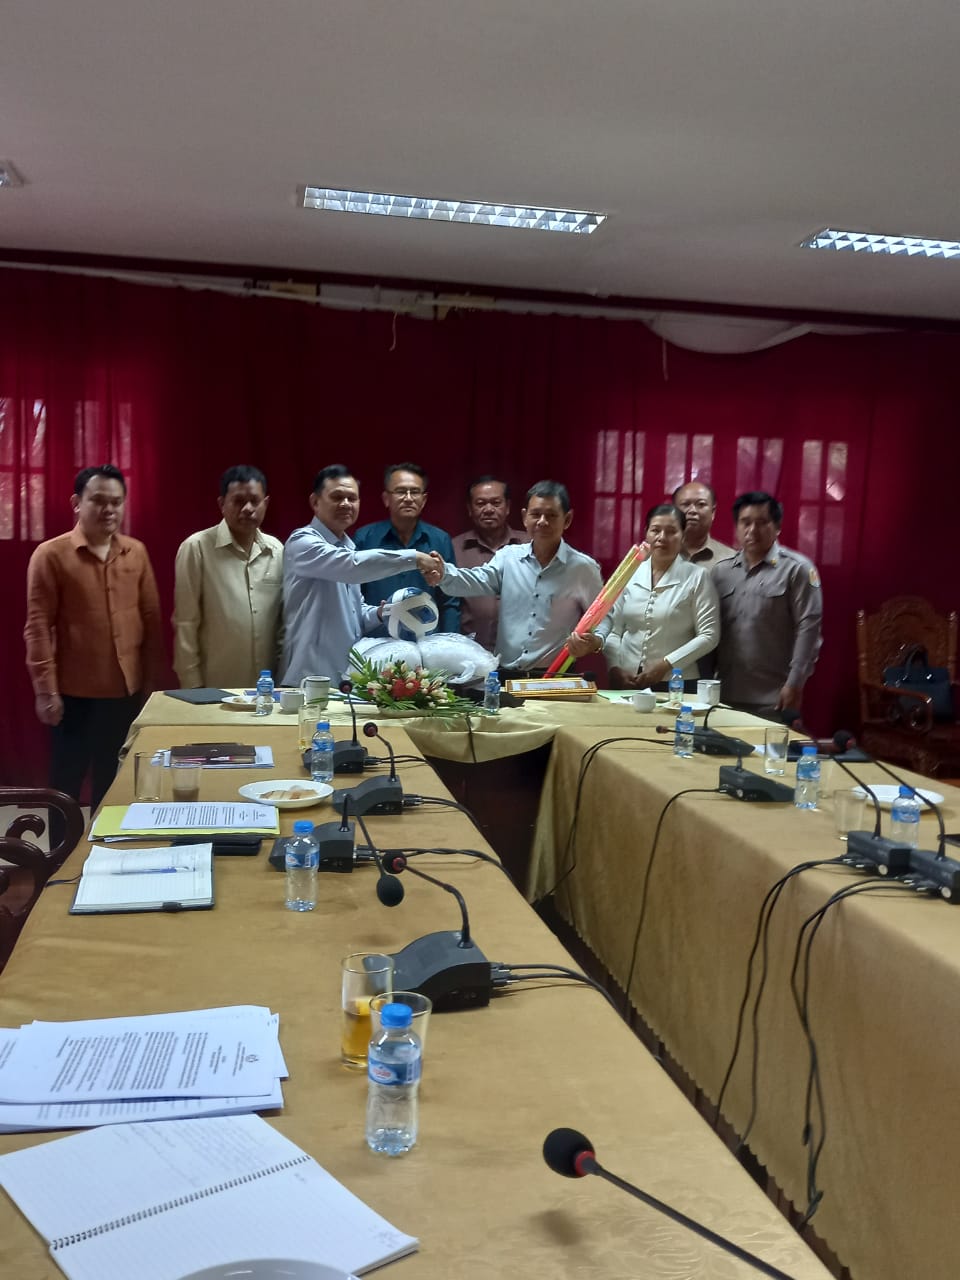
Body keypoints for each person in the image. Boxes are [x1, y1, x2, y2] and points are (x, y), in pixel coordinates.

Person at [24, 464, 163, 811]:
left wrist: (150, 686)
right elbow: (38, 627)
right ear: (76, 502)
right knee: (66, 785)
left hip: (125, 693)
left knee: (115, 784)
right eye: (98, 501)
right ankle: (61, 846)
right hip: (73, 696)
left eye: (116, 502)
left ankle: (106, 845)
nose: (109, 510)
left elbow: (151, 622)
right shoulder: (51, 555)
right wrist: (46, 692)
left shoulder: (136, 552)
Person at [424, 480, 602, 679]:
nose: (542, 521)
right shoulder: (508, 557)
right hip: (506, 675)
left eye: (551, 515)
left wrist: (595, 642)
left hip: (554, 676)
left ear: (567, 519)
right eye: (536, 514)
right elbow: (475, 580)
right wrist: (444, 573)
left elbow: (604, 617)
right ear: (525, 517)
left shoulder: (583, 568)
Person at [281, 464, 438, 685]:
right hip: (307, 677)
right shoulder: (303, 542)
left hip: (345, 678)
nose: (346, 504)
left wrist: (381, 613)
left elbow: (354, 615)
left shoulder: (349, 547)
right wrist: (414, 557)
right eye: (337, 497)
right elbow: (352, 567)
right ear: (315, 502)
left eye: (352, 498)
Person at [570, 503, 719, 690]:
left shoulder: (697, 577)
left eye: (671, 531)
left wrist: (666, 665)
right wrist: (614, 667)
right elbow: (614, 630)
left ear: (683, 536)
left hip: (677, 681)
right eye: (655, 530)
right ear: (646, 533)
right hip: (627, 679)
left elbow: (709, 635)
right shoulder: (629, 573)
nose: (662, 537)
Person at [712, 491, 823, 717]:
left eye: (762, 522)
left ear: (777, 527)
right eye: (745, 522)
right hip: (724, 693)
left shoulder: (797, 569)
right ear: (737, 527)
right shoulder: (721, 572)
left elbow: (809, 630)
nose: (752, 530)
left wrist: (794, 683)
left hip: (774, 696)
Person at [173, 465, 284, 689]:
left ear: (266, 503)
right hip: (215, 687)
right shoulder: (197, 548)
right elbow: (185, 623)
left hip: (268, 688)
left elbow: (283, 624)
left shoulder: (277, 551)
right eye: (238, 501)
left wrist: (284, 681)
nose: (248, 508)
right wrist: (192, 686)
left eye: (255, 501)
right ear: (222, 504)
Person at [353, 463, 460, 631]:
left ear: (424, 500)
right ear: (386, 499)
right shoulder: (365, 539)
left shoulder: (440, 540)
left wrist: (450, 641)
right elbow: (353, 598)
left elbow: (450, 600)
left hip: (428, 641)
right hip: (377, 639)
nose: (408, 498)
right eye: (401, 491)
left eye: (415, 492)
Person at [451, 475, 528, 651]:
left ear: (508, 507)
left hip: (523, 654)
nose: (488, 509)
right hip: (470, 653)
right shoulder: (454, 549)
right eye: (480, 503)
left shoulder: (529, 545)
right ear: (469, 509)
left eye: (496, 503)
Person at [672, 481, 736, 566]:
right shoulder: (657, 556)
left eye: (701, 504)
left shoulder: (731, 560)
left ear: (713, 512)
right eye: (685, 504)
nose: (692, 510)